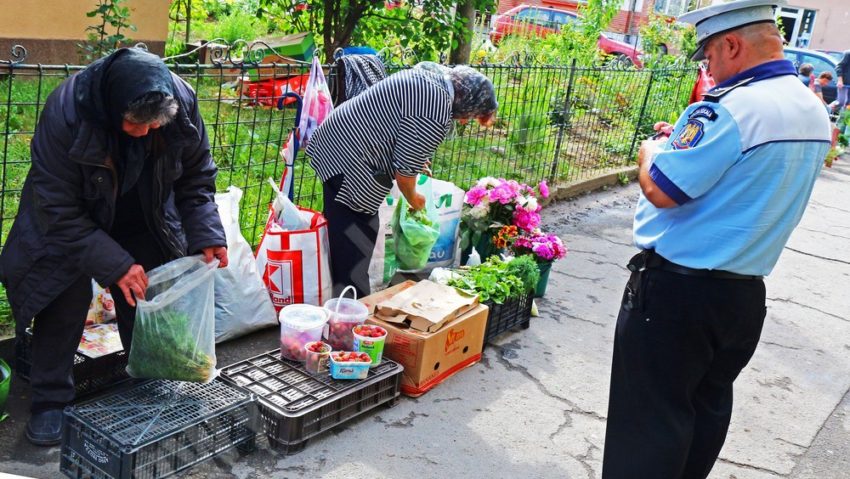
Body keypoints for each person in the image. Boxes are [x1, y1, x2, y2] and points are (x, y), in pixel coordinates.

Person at [601, 1, 832, 478]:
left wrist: (650, 152)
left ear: (731, 44)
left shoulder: (733, 106)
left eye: (708, 56)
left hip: (675, 296)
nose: (708, 68)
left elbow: (662, 190)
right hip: (742, 294)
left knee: (647, 424)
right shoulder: (811, 109)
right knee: (704, 412)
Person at [0, 47, 228, 446]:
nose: (144, 132)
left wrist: (208, 233)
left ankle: (148, 377)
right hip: (70, 218)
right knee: (61, 298)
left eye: (154, 126)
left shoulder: (181, 100)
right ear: (113, 106)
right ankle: (50, 399)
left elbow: (196, 176)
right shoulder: (66, 112)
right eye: (135, 124)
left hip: (141, 210)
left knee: (147, 289)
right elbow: (56, 207)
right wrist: (114, 264)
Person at [306, 62, 498, 297]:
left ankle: (347, 304)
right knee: (355, 240)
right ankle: (349, 314)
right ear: (466, 102)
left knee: (354, 232)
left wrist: (415, 162)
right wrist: (414, 199)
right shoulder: (435, 111)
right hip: (347, 156)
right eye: (472, 114)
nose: (466, 121)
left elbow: (401, 128)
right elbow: (404, 175)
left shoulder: (434, 82)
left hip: (338, 141)